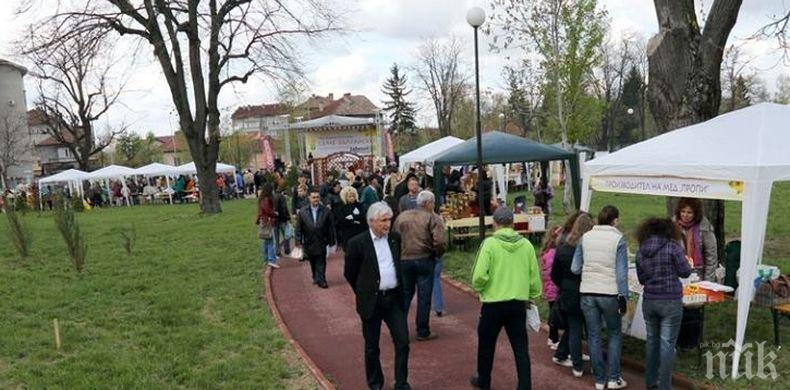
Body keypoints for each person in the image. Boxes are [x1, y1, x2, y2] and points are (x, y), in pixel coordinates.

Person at [470, 207, 541, 390]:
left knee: (486, 344)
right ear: (513, 223)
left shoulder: (489, 244)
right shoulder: (526, 245)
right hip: (517, 303)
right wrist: (532, 295)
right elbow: (534, 276)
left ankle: (484, 381)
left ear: (495, 223)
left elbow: (479, 276)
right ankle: (525, 385)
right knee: (520, 347)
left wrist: (480, 289)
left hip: (493, 303)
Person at [344, 202, 411, 390]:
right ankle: (375, 383)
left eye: (389, 219)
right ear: (371, 221)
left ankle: (401, 382)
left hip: (393, 300)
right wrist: (363, 291)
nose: (387, 224)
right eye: (383, 220)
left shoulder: (395, 239)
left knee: (403, 342)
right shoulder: (357, 243)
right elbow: (350, 273)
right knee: (372, 346)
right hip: (371, 302)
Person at [572, 205, 629, 390]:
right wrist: (623, 297)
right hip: (610, 292)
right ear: (616, 220)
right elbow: (621, 274)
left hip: (588, 291)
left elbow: (575, 268)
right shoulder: (619, 239)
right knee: (614, 334)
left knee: (594, 335)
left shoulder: (585, 237)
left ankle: (599, 379)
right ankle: (613, 378)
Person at [635, 217, 692, 390]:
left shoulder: (641, 251)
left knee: (652, 341)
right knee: (667, 344)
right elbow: (685, 272)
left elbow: (642, 279)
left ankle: (650, 381)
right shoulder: (673, 247)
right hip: (670, 300)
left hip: (650, 300)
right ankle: (665, 385)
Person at [393, 190, 446, 340]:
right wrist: (437, 254)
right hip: (424, 258)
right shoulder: (433, 218)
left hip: (404, 259)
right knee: (424, 297)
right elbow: (440, 241)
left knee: (404, 295)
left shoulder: (402, 217)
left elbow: (394, 238)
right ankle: (423, 330)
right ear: (429, 203)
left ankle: (398, 329)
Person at [550, 212, 595, 378]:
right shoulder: (587, 249)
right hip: (585, 290)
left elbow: (554, 274)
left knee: (573, 326)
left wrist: (564, 286)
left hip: (568, 291)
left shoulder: (562, 248)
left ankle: (564, 356)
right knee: (579, 328)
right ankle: (576, 363)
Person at [295, 188, 336, 288]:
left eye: (317, 197)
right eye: (313, 197)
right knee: (312, 261)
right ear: (309, 198)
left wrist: (332, 242)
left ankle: (322, 280)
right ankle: (315, 276)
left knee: (321, 260)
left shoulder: (326, 211)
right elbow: (298, 228)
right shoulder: (303, 212)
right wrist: (298, 241)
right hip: (309, 241)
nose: (316, 199)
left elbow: (331, 227)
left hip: (322, 240)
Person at [674, 197, 718, 281]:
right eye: (683, 211)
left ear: (696, 213)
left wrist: (708, 282)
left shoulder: (705, 228)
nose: (685, 215)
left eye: (689, 212)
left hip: (697, 273)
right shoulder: (673, 225)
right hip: (676, 272)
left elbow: (711, 257)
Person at [540, 226, 562, 349]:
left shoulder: (548, 251)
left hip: (550, 287)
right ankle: (553, 338)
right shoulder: (553, 253)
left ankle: (552, 337)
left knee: (553, 312)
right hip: (553, 288)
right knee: (555, 314)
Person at [335, 186, 368, 251]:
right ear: (345, 197)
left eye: (353, 196)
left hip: (360, 233)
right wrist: (354, 219)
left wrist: (352, 217)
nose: (352, 198)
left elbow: (363, 216)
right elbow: (341, 220)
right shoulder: (341, 207)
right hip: (348, 235)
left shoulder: (359, 205)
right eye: (349, 196)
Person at [256, 183, 279, 268]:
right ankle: (271, 260)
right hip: (267, 221)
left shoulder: (262, 198)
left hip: (264, 220)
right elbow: (268, 210)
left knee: (266, 241)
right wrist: (275, 214)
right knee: (270, 241)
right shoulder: (266, 199)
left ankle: (267, 258)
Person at [273, 187, 291, 256]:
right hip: (282, 219)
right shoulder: (282, 197)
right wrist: (287, 218)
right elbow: (284, 208)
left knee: (276, 238)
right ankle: (287, 249)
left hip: (274, 220)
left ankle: (277, 251)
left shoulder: (272, 197)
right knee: (286, 235)